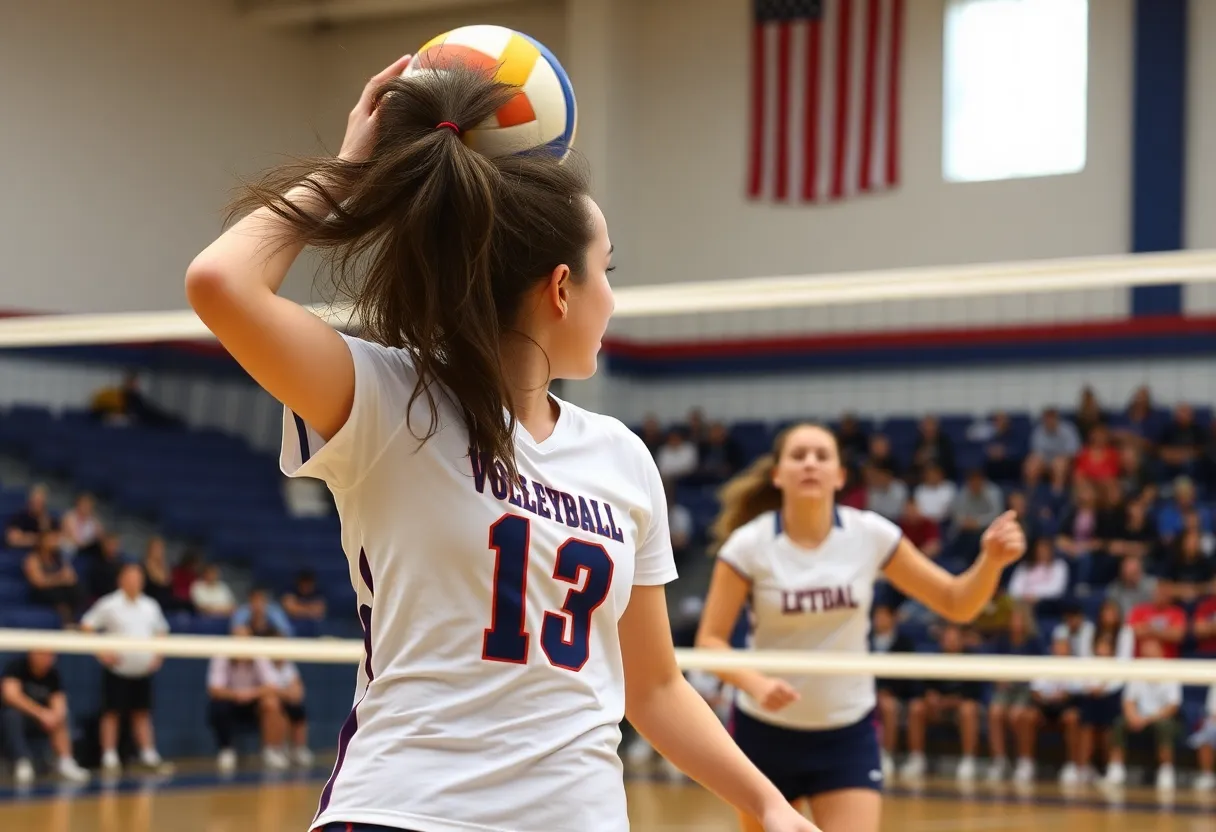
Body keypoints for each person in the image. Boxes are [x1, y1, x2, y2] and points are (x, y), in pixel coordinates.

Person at [185, 55, 819, 832]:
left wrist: (765, 803)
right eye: (607, 270)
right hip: (403, 812)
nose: (614, 297)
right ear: (560, 288)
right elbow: (221, 284)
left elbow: (653, 690)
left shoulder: (622, 457)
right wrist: (351, 170)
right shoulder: (389, 396)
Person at [695, 423, 1025, 832]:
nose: (810, 463)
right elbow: (709, 640)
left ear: (840, 475)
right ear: (778, 474)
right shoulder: (748, 546)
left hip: (846, 733)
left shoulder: (870, 534)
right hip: (765, 734)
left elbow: (956, 604)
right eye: (798, 456)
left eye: (822, 455)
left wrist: (990, 562)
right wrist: (756, 683)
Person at [79, 563, 170, 774]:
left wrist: (158, 655)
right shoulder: (109, 604)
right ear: (121, 580)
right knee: (111, 713)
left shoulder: (150, 605)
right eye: (130, 577)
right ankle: (109, 756)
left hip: (142, 670)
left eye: (138, 577)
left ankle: (148, 754)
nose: (135, 581)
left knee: (142, 713)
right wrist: (101, 653)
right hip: (117, 671)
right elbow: (86, 625)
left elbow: (162, 630)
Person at [0, 651, 90, 785]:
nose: (48, 659)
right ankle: (22, 762)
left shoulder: (53, 674)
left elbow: (59, 702)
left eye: (51, 655)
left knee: (62, 716)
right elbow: (10, 696)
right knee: (11, 716)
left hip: (41, 721)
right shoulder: (17, 667)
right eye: (44, 654)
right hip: (18, 718)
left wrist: (54, 716)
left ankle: (66, 762)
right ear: (33, 654)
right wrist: (40, 713)